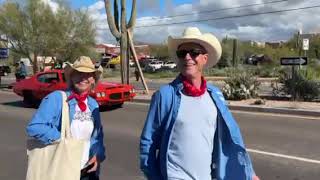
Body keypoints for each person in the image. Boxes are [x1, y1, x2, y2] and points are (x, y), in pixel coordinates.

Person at [139, 27, 260, 180]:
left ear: (204, 58)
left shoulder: (215, 95)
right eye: (182, 53)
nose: (187, 57)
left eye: (194, 52)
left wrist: (249, 173)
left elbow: (231, 138)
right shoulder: (165, 95)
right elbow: (148, 144)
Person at [26, 56, 106, 180]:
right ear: (71, 77)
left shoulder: (93, 104)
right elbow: (35, 127)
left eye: (88, 74)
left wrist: (98, 154)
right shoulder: (57, 98)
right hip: (62, 168)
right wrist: (62, 140)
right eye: (78, 73)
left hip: (87, 170)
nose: (83, 78)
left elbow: (97, 135)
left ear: (93, 79)